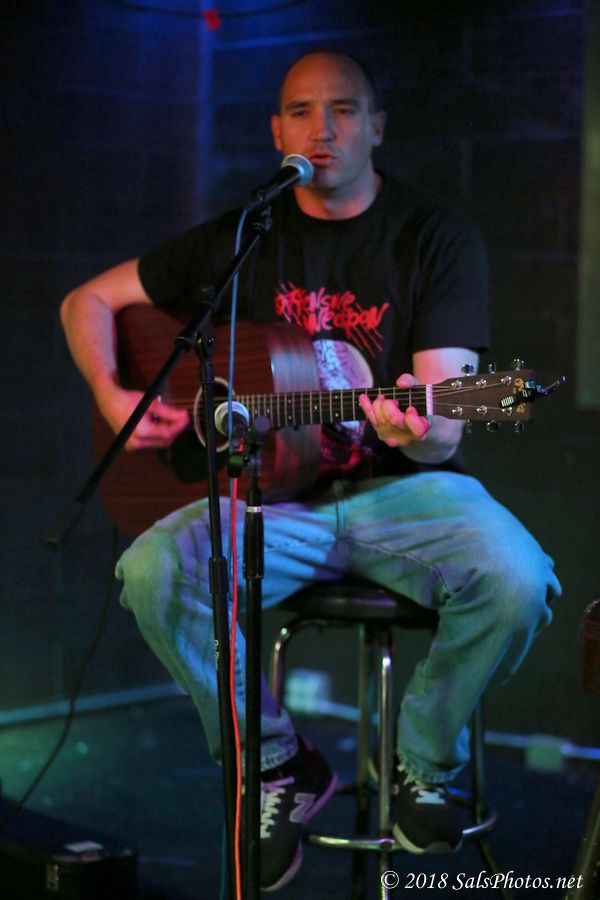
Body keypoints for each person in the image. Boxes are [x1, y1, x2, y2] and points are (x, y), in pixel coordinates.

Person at [60, 49, 561, 892]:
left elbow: (440, 427)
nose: (321, 129)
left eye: (343, 109)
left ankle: (421, 762)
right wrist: (115, 396)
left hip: (406, 491)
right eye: (301, 111)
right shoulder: (243, 236)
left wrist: (415, 431)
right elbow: (87, 301)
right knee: (150, 571)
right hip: (272, 503)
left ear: (376, 126)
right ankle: (276, 762)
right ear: (276, 131)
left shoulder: (434, 235)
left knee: (518, 580)